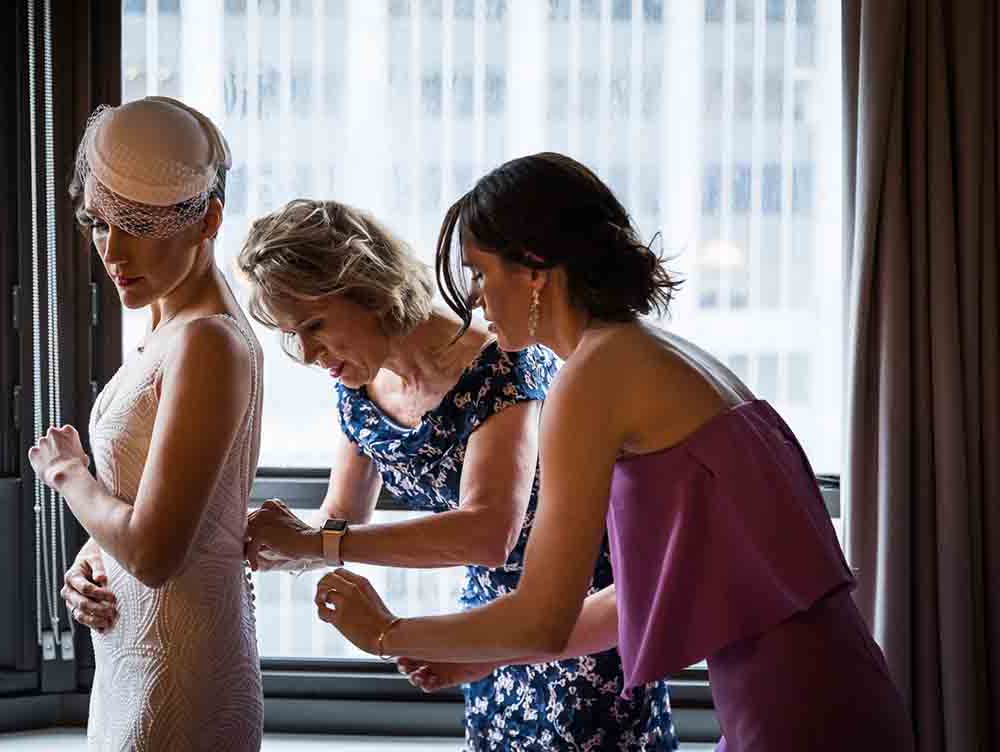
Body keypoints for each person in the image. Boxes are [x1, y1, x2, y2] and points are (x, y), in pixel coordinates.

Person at [311, 153, 915, 752]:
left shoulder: (592, 376)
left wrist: (386, 631)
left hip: (795, 711)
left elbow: (544, 617)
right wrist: (486, 657)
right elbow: (629, 599)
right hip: (827, 688)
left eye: (480, 272)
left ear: (534, 269)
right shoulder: (642, 351)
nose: (475, 299)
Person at [236, 198, 676, 751]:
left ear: (369, 288)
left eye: (314, 325)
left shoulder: (502, 364)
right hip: (486, 626)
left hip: (576, 618)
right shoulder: (355, 380)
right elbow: (340, 519)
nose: (304, 352)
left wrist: (315, 546)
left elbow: (489, 533)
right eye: (288, 333)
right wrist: (250, 542)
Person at [28, 97, 264, 751]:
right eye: (100, 223)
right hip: (134, 657)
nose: (113, 249)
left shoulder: (208, 342)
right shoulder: (171, 322)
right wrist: (92, 560)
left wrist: (69, 473)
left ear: (208, 219)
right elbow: (163, 507)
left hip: (179, 678)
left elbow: (157, 555)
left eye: (139, 225)